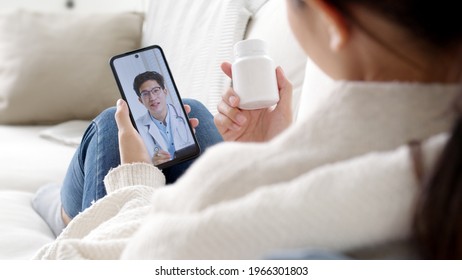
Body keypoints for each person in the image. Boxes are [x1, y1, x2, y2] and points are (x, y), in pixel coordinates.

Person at [33, 0, 462, 259]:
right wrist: (274, 151)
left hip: (128, 218)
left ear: (332, 21)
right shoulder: (433, 172)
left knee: (112, 123)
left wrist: (134, 182)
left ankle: (63, 211)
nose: (150, 101)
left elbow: (83, 261)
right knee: (196, 111)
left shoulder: (226, 191)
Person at [133, 71, 196, 166]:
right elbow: (140, 163)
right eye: (145, 94)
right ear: (140, 100)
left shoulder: (184, 113)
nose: (152, 98)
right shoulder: (136, 127)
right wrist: (152, 164)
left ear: (165, 91)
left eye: (156, 90)